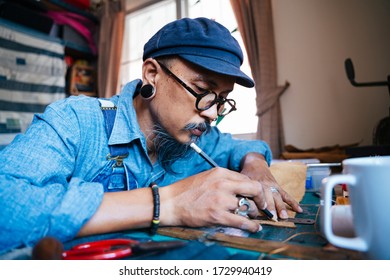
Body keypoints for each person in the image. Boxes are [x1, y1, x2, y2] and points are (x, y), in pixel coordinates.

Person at [0, 17, 302, 256]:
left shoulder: (197, 138)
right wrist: (167, 203)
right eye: (202, 91)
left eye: (222, 99)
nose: (212, 113)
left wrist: (256, 166)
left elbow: (242, 146)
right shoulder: (76, 121)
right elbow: (7, 206)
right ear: (152, 74)